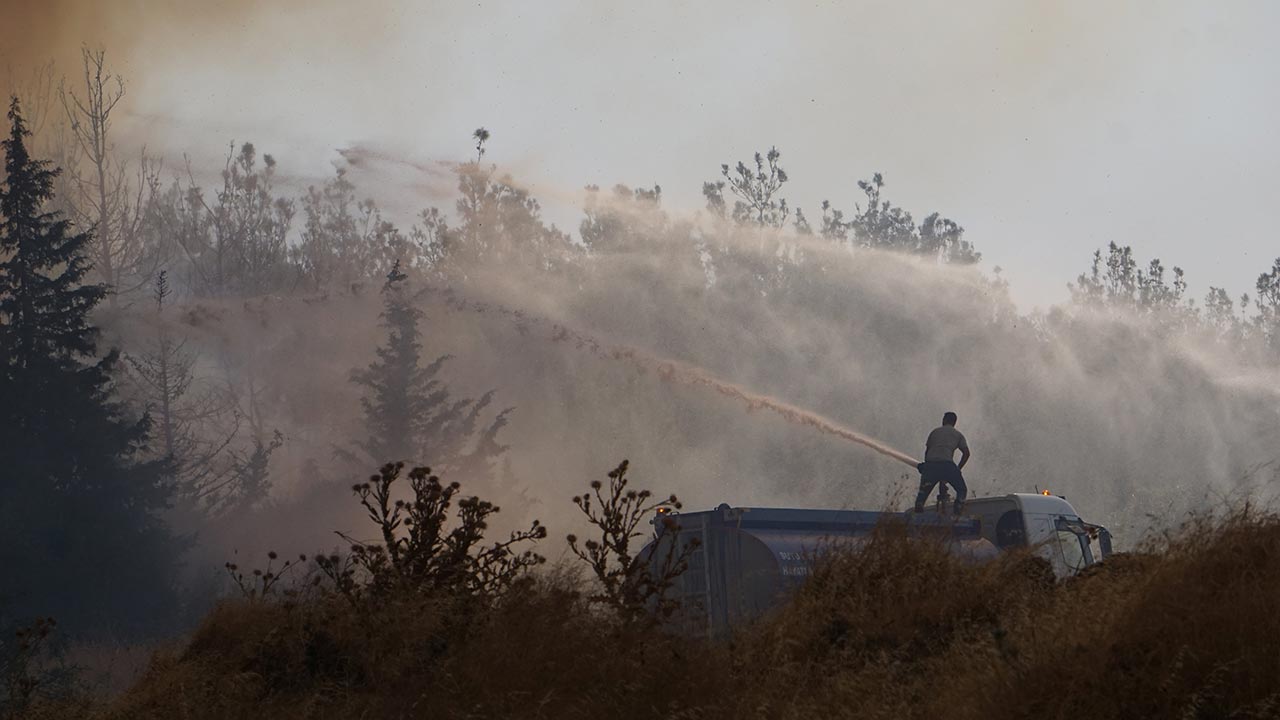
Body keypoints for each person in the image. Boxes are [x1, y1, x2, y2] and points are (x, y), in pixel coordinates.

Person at [914, 411, 970, 514]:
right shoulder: (958, 435)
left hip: (930, 466)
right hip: (947, 466)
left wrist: (926, 467)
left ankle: (918, 513)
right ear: (954, 422)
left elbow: (927, 451)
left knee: (922, 495)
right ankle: (958, 509)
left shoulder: (934, 432)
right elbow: (966, 453)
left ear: (944, 420)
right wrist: (958, 469)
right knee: (962, 490)